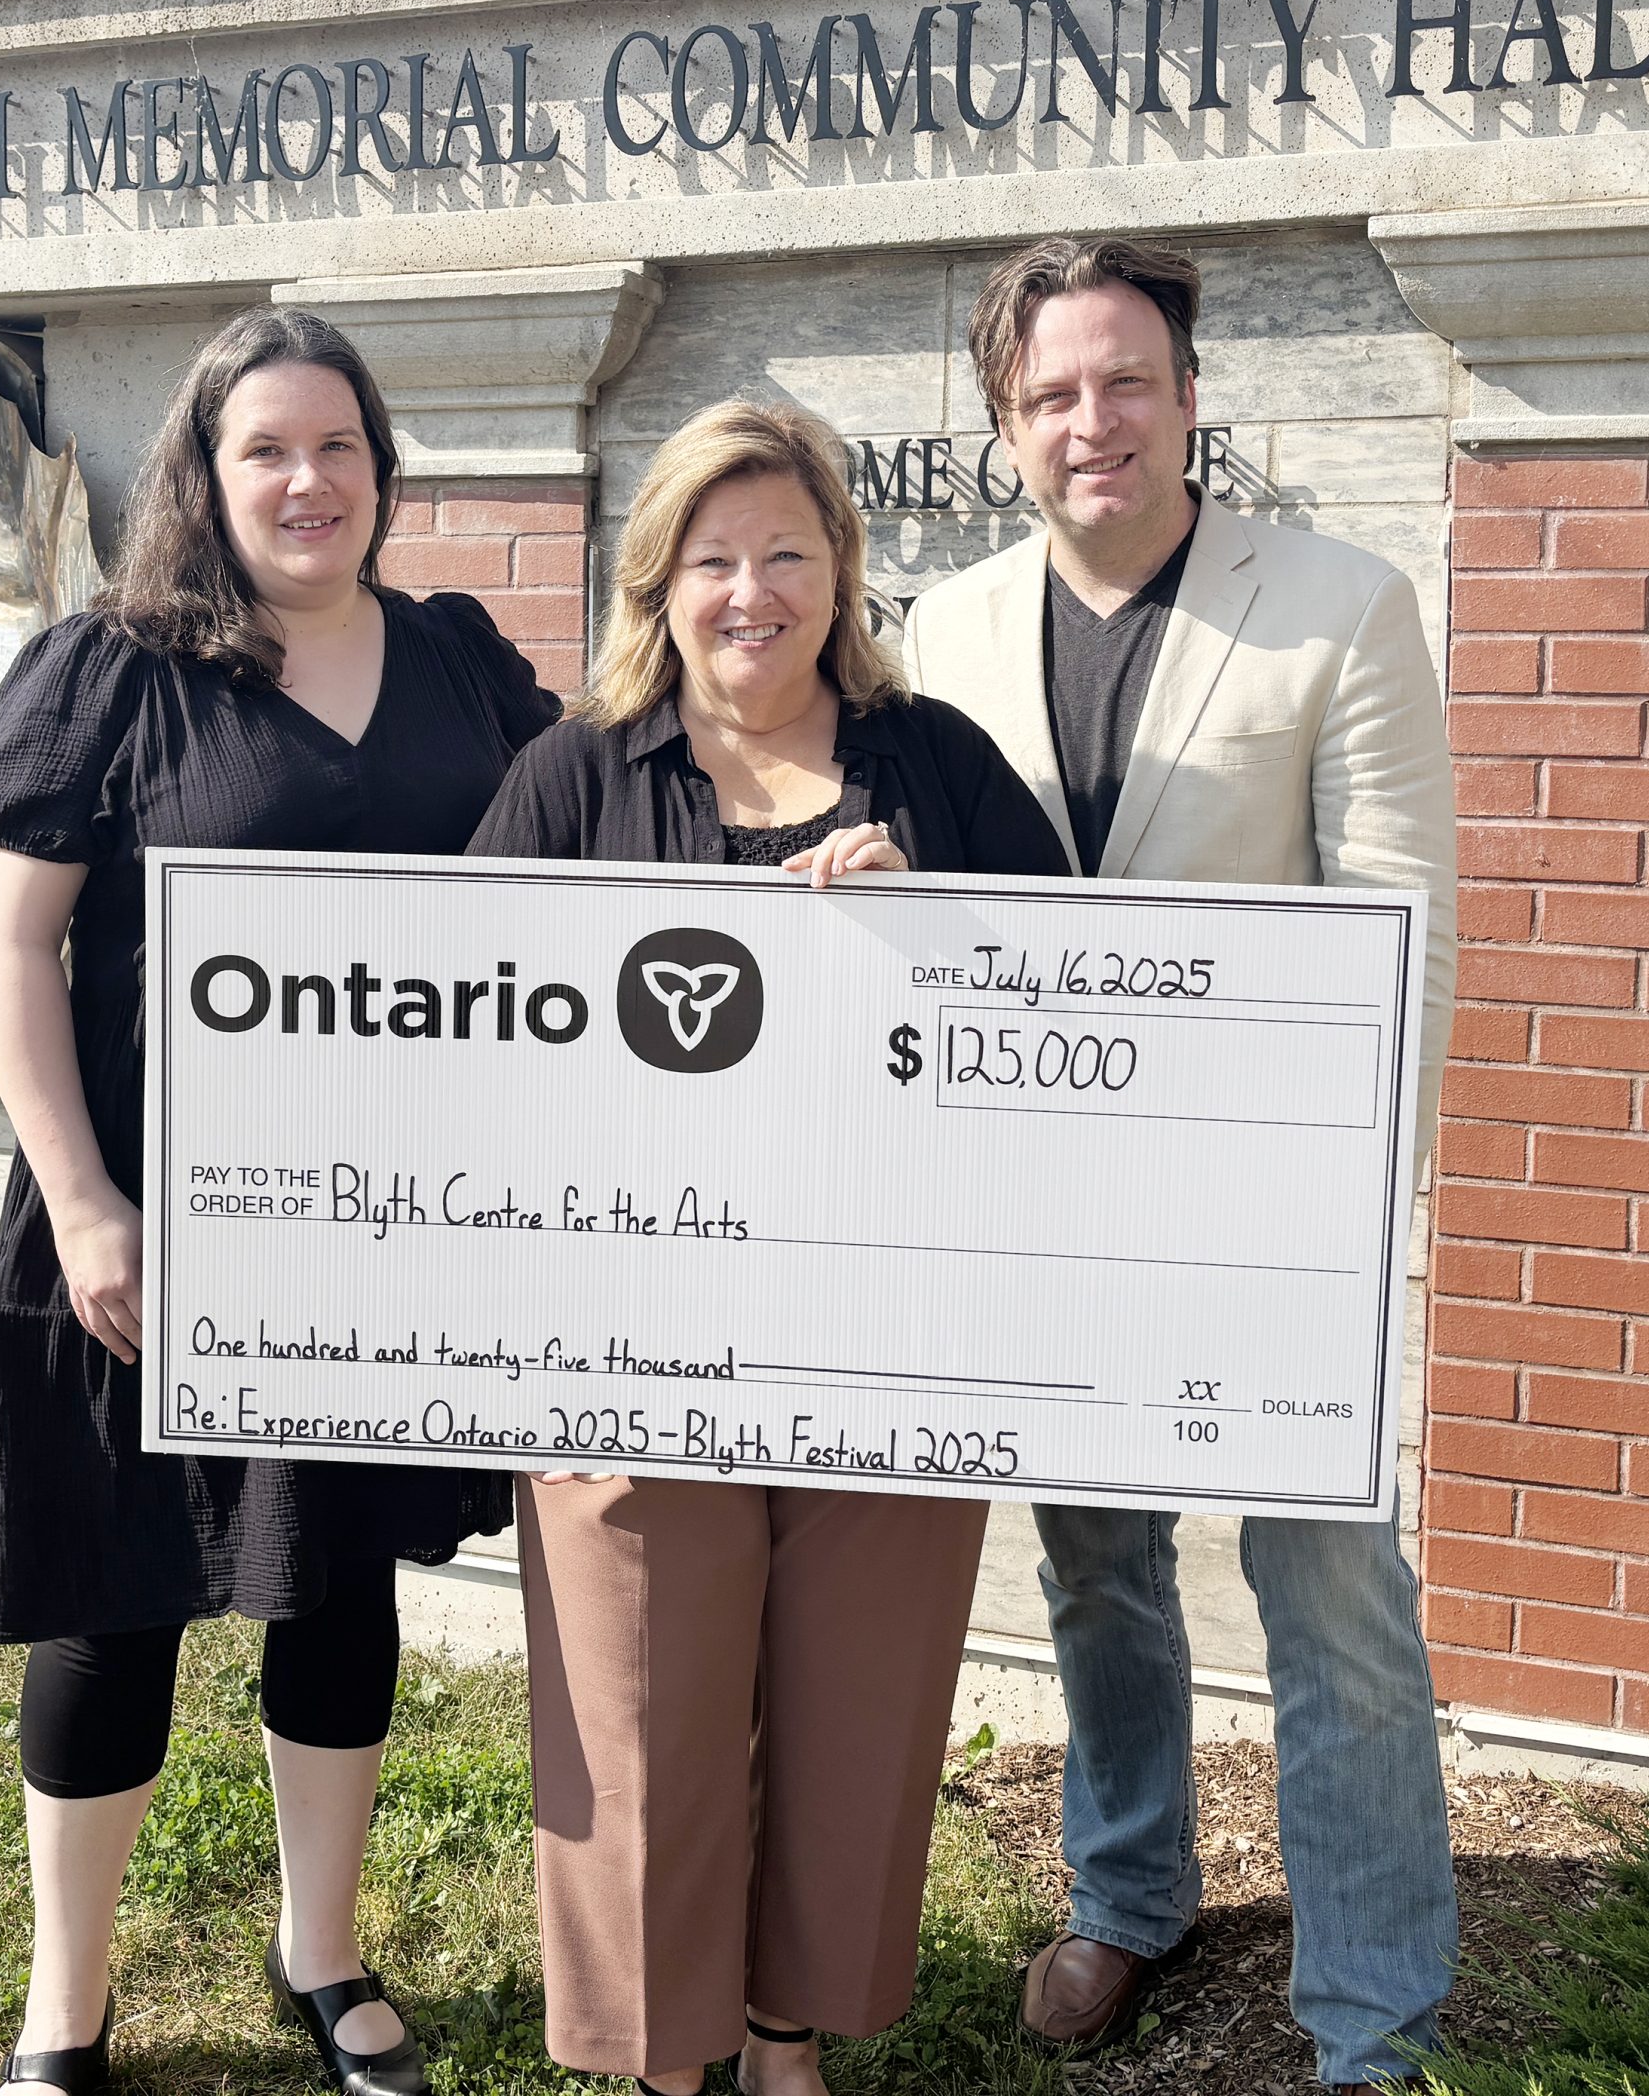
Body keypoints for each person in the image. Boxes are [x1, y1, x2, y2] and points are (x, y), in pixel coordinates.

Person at [0, 307, 560, 2096]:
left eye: (340, 447)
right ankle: (65, 2007)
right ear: (206, 478)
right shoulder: (118, 670)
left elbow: (591, 846)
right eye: (266, 449)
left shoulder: (458, 664)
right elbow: (12, 942)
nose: (309, 482)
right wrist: (82, 1201)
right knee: (114, 1601)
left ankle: (323, 1949)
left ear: (384, 469)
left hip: (378, 1229)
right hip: (145, 1222)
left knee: (333, 1591)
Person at [903, 236, 1460, 2094]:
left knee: (1332, 1593)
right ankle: (1128, 1888)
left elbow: (1404, 929)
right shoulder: (947, 627)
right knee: (1097, 1571)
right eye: (1050, 393)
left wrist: (1346, 1196)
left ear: (1189, 391)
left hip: (1262, 1215)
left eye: (1124, 379)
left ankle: (1371, 2004)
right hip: (1048, 1216)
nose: (1093, 421)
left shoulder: (1335, 604)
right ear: (1005, 425)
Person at [469, 399, 1068, 2096]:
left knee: (853, 1702)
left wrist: (929, 925)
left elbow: (1065, 1009)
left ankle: (783, 2028)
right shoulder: (571, 777)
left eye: (785, 553)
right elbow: (459, 1056)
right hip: (625, 1344)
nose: (752, 591)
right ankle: (669, 2055)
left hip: (888, 1331)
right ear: (659, 582)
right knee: (639, 1711)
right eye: (712, 558)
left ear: (840, 572)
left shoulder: (934, 762)